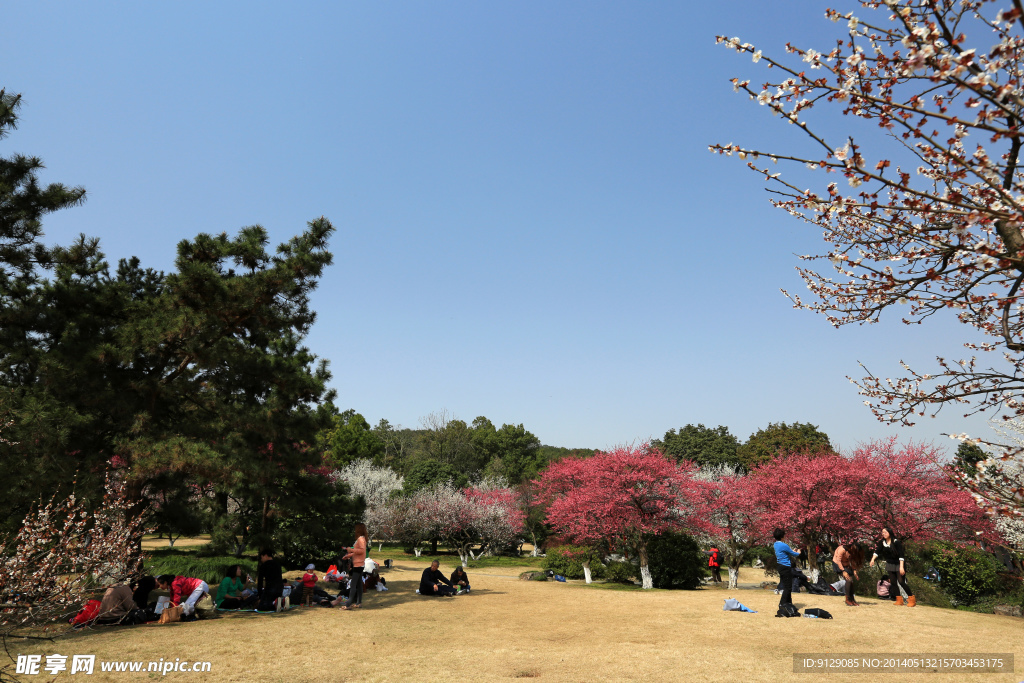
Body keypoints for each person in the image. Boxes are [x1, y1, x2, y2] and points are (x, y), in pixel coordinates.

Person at [869, 526, 916, 607]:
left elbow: (901, 555)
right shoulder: (882, 542)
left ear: (890, 533)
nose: (883, 534)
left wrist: (901, 567)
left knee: (901, 582)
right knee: (893, 582)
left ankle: (911, 599)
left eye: (885, 532)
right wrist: (872, 559)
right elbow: (877, 551)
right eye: (882, 532)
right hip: (890, 564)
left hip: (899, 564)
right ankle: (899, 600)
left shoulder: (896, 542)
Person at [338, 523, 368, 610]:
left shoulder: (361, 539)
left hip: (358, 564)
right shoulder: (361, 539)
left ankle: (348, 604)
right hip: (359, 564)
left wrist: (350, 550)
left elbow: (362, 551)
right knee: (359, 584)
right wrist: (349, 555)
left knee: (353, 584)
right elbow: (357, 552)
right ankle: (359, 602)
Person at [773, 528, 800, 610]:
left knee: (787, 586)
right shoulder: (784, 545)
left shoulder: (775, 544)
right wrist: (798, 552)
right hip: (786, 567)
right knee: (788, 587)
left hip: (780, 566)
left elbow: (786, 552)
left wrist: (792, 551)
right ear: (782, 537)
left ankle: (789, 603)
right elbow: (794, 554)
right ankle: (782, 604)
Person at [833, 541, 862, 607]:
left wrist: (854, 570)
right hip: (838, 564)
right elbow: (838, 561)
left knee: (851, 581)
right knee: (848, 579)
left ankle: (852, 599)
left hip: (846, 565)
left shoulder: (853, 552)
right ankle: (848, 599)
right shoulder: (842, 549)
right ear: (851, 547)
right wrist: (843, 571)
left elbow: (852, 561)